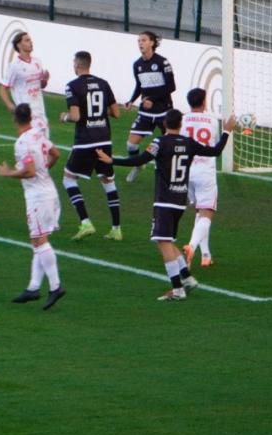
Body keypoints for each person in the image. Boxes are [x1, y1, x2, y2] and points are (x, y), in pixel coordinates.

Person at [97, 109, 236, 300]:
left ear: (164, 124)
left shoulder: (159, 142)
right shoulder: (188, 142)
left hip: (164, 200)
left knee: (162, 243)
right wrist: (227, 131)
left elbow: (140, 159)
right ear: (181, 125)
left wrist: (112, 160)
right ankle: (187, 279)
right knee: (167, 241)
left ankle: (177, 289)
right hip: (179, 201)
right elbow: (215, 151)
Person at [0, 103, 66, 310]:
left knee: (40, 242)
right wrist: (44, 170)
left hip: (38, 196)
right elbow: (56, 154)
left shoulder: (22, 143)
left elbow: (28, 171)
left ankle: (55, 286)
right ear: (30, 117)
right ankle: (33, 287)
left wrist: (8, 173)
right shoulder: (38, 134)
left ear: (14, 119)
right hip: (49, 191)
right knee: (38, 241)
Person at [59, 50, 123, 242]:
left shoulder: (72, 86)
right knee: (108, 182)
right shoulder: (103, 84)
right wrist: (99, 114)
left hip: (86, 141)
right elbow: (117, 113)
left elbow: (76, 116)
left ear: (78, 65)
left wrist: (65, 117)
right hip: (104, 138)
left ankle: (86, 222)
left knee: (68, 180)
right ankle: (116, 229)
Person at [123, 31, 176, 182]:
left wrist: (152, 99)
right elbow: (140, 85)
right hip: (146, 112)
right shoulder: (137, 65)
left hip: (164, 111)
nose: (140, 43)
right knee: (131, 144)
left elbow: (171, 86)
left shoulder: (162, 62)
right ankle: (138, 165)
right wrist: (131, 100)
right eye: (139, 41)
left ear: (152, 43)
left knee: (169, 146)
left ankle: (170, 175)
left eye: (144, 40)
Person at [180, 88, 220, 268]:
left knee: (199, 211)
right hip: (205, 171)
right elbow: (215, 144)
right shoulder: (212, 121)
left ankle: (206, 254)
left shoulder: (182, 119)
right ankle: (192, 246)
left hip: (186, 171)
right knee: (206, 213)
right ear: (204, 101)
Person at [0, 31, 50, 136]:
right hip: (26, 114)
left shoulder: (37, 61)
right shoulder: (14, 66)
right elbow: (3, 89)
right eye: (27, 40)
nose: (31, 42)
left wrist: (44, 81)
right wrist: (10, 105)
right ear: (18, 45)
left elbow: (41, 86)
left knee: (44, 146)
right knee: (31, 146)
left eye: (30, 40)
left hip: (40, 112)